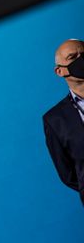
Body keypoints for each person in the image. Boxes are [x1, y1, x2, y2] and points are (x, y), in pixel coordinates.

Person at [44, 38, 84, 206]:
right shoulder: (55, 120)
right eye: (72, 57)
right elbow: (68, 174)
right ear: (59, 71)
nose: (81, 60)